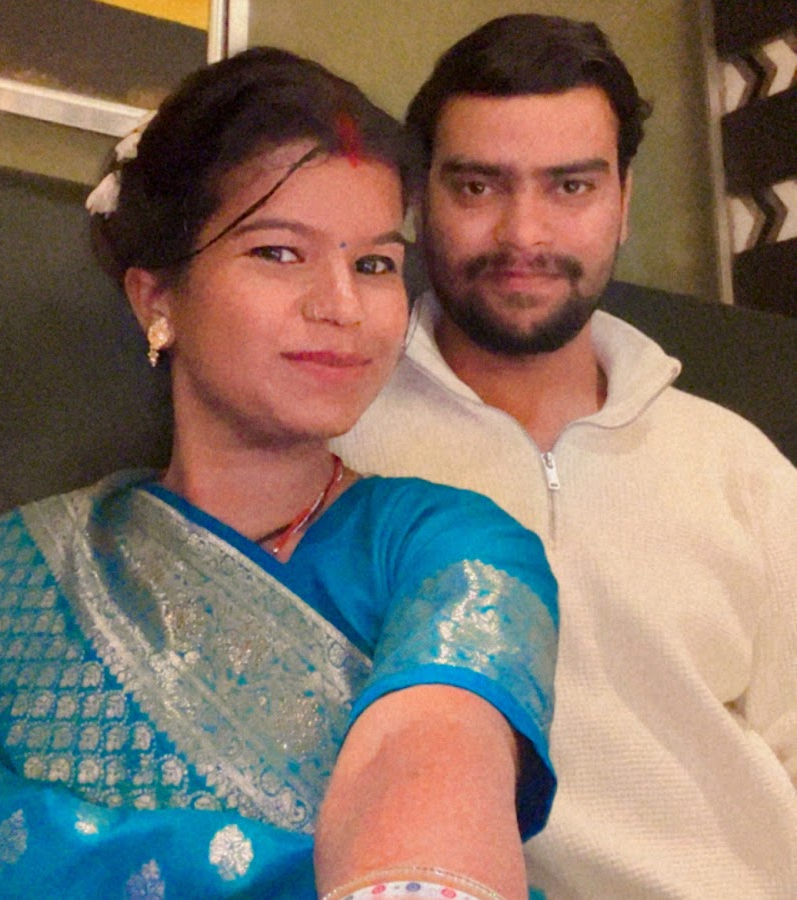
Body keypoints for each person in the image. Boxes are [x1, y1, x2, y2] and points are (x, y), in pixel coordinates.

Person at [0, 48, 559, 899]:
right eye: (280, 253)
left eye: (374, 264)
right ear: (157, 299)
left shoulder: (452, 547)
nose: (343, 307)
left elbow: (433, 758)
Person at [333, 14, 797, 899]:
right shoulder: (336, 434)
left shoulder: (739, 466)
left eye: (571, 186)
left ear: (623, 201)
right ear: (419, 198)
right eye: (478, 186)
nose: (525, 234)